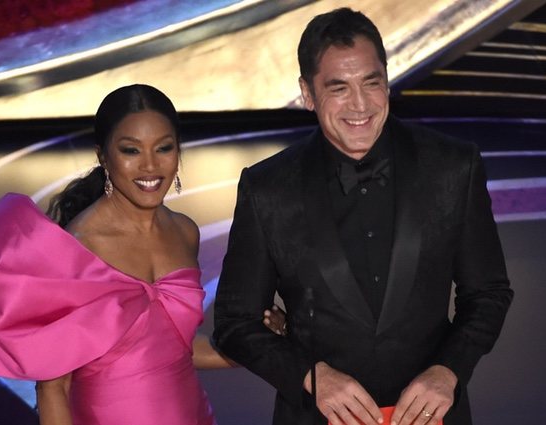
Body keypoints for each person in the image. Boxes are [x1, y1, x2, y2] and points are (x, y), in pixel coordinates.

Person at [213, 8, 513, 425]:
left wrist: (449, 371)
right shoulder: (268, 188)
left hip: (433, 416)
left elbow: (488, 293)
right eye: (339, 88)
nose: (360, 104)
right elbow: (234, 323)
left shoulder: (452, 166)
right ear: (308, 93)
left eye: (372, 83)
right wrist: (310, 376)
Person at [0, 84, 284, 425]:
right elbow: (53, 388)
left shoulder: (185, 232)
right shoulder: (75, 247)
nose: (151, 166)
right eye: (131, 150)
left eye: (164, 148)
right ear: (103, 156)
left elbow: (176, 349)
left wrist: (253, 342)